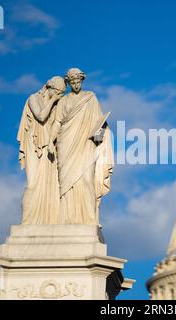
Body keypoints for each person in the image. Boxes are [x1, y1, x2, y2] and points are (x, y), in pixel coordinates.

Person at [49, 68, 114, 225]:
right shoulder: (63, 101)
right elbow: (57, 122)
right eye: (73, 82)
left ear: (82, 81)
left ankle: (88, 219)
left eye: (78, 82)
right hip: (65, 143)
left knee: (86, 180)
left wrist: (98, 136)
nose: (76, 85)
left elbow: (99, 121)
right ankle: (65, 219)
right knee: (65, 183)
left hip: (86, 144)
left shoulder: (90, 98)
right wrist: (51, 142)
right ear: (69, 83)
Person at [17, 76, 66, 224]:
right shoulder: (34, 98)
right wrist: (52, 100)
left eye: (62, 94)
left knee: (51, 187)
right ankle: (27, 221)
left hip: (50, 148)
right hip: (35, 143)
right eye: (58, 92)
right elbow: (41, 116)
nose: (59, 96)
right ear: (49, 88)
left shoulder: (56, 105)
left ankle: (48, 220)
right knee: (33, 185)